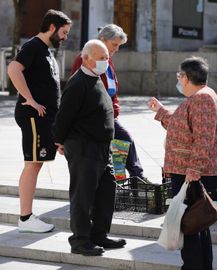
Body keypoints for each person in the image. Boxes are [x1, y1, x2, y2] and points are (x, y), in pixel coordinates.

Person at [148, 56, 217, 270]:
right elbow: (184, 129)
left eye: (179, 76)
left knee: (191, 225)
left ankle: (194, 266)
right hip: (187, 170)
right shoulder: (200, 97)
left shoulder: (201, 98)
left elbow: (203, 138)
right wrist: (160, 112)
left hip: (190, 172)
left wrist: (194, 169)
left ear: (186, 77)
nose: (178, 80)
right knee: (197, 224)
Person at [53, 40, 126, 256]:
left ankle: (99, 234)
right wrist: (59, 141)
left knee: (106, 192)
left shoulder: (95, 78)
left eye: (107, 58)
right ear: (86, 58)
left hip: (102, 148)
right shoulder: (78, 83)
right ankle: (80, 240)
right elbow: (64, 116)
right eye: (101, 58)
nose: (105, 62)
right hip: (84, 148)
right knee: (82, 196)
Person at [7, 9, 71, 233]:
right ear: (52, 27)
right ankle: (25, 218)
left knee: (36, 164)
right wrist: (30, 100)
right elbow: (13, 69)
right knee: (33, 164)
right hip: (34, 116)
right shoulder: (33, 46)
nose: (65, 37)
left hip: (45, 119)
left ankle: (27, 217)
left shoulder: (45, 50)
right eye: (63, 32)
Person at [70, 24, 147, 182]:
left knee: (121, 147)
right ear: (102, 40)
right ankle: (137, 178)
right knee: (124, 140)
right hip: (95, 117)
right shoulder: (85, 58)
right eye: (114, 45)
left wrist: (115, 110)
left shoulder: (107, 60)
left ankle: (129, 180)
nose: (116, 49)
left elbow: (112, 89)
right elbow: (77, 89)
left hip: (109, 116)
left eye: (119, 46)